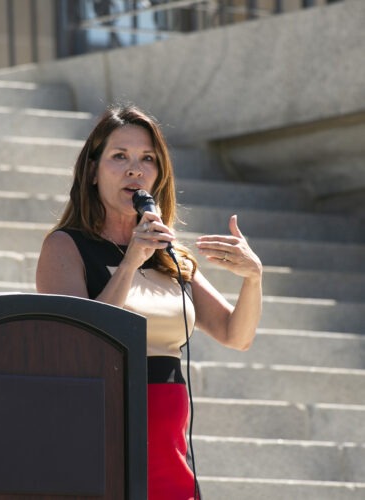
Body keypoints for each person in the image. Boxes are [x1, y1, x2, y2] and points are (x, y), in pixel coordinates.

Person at [36, 104, 263, 500]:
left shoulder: (172, 255)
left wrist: (253, 278)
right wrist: (129, 263)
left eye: (147, 159)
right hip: (101, 432)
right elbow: (79, 341)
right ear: (92, 171)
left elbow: (235, 335)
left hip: (169, 446)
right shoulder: (65, 247)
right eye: (119, 156)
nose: (135, 170)